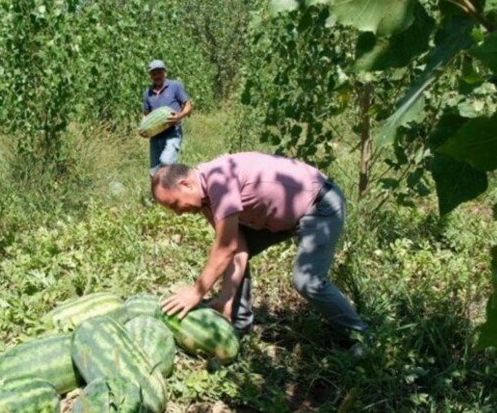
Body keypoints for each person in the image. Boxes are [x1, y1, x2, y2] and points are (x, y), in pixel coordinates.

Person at [153, 152, 368, 352]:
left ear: (186, 184)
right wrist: (226, 296)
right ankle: (238, 325)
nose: (179, 213)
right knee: (226, 254)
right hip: (285, 217)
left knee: (307, 280)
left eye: (175, 205)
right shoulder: (205, 200)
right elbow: (236, 246)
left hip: (320, 205)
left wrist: (196, 291)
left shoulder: (219, 180)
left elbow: (226, 247)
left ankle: (360, 336)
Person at [142, 60, 192, 177]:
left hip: (172, 132)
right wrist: (143, 129)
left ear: (165, 72)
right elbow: (146, 114)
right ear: (150, 75)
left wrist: (179, 116)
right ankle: (159, 194)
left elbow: (188, 105)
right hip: (155, 135)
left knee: (167, 162)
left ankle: (175, 185)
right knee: (154, 173)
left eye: (159, 72)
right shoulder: (147, 93)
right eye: (154, 73)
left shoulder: (175, 86)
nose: (157, 76)